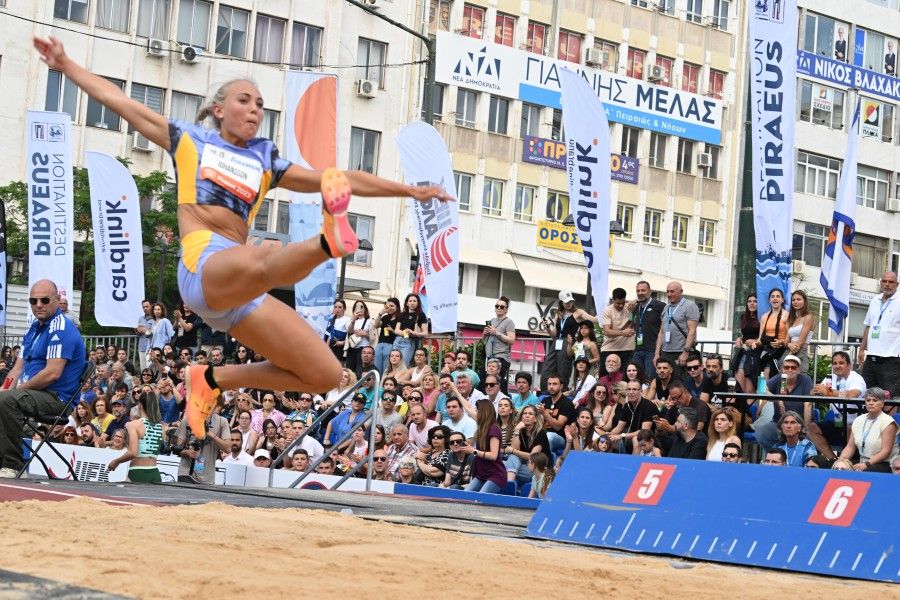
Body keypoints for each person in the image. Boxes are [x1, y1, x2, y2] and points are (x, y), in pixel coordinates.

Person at [32, 36, 451, 441]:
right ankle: (329, 242)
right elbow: (121, 103)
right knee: (264, 256)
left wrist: (409, 191)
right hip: (204, 262)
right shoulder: (189, 141)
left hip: (240, 293)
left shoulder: (265, 159)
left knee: (324, 374)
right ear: (218, 109)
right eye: (244, 101)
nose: (254, 110)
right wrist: (67, 65)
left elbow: (338, 178)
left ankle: (213, 378)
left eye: (260, 106)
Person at [0, 280, 86, 478]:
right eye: (33, 300)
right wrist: (5, 388)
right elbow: (17, 369)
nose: (38, 304)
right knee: (3, 397)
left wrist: (13, 392)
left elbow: (52, 374)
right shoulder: (33, 328)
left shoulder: (61, 328)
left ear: (57, 300)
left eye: (44, 300)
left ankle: (12, 464)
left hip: (58, 398)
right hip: (33, 393)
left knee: (7, 400)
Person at [756, 354, 834, 459]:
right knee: (762, 432)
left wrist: (805, 428)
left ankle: (804, 463)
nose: (789, 370)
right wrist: (777, 399)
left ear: (798, 370)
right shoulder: (779, 378)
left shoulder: (805, 379)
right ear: (782, 369)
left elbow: (808, 404)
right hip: (779, 423)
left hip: (800, 424)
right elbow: (762, 390)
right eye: (786, 367)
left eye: (793, 367)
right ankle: (778, 458)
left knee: (811, 437)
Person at [540, 290, 597, 391]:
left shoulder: (578, 312)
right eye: (567, 302)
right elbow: (554, 335)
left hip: (568, 342)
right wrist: (547, 328)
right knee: (547, 369)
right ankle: (545, 392)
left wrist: (603, 313)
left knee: (563, 370)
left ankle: (562, 393)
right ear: (561, 302)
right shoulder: (558, 314)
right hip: (556, 342)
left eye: (571, 301)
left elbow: (594, 320)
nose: (569, 304)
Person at [108, 390, 166, 483]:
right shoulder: (161, 427)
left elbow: (132, 452)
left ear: (140, 405)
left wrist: (117, 461)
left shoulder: (133, 425)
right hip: (155, 472)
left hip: (138, 472)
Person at [858, 272, 900, 398]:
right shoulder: (875, 300)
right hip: (871, 358)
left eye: (891, 282)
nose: (887, 284)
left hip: (891, 358)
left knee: (889, 398)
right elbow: (869, 326)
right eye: (884, 281)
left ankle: (889, 419)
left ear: (897, 284)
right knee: (867, 394)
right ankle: (869, 418)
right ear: (881, 283)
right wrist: (861, 349)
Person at [837, 387, 899, 473]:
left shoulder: (888, 422)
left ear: (882, 403)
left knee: (863, 472)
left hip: (885, 463)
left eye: (875, 400)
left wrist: (866, 464)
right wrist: (840, 461)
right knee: (840, 468)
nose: (871, 403)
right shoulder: (858, 420)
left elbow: (885, 452)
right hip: (863, 462)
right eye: (868, 400)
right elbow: (850, 447)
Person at [174, 397, 231, 484]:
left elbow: (228, 448)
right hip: (186, 471)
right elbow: (177, 447)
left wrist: (209, 433)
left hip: (207, 476)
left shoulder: (222, 422)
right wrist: (185, 452)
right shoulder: (188, 419)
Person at [653, 281, 699, 378]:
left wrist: (685, 352)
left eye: (672, 291)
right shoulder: (666, 307)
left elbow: (692, 330)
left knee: (680, 382)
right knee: (665, 380)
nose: (669, 294)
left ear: (681, 291)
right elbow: (661, 332)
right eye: (668, 291)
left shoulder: (690, 305)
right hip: (665, 352)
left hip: (680, 352)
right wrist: (657, 354)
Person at [464, 401, 506, 493]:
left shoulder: (494, 429)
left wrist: (473, 451)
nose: (475, 412)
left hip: (495, 474)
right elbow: (467, 408)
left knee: (481, 497)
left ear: (483, 412)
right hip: (481, 474)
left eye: (477, 410)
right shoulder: (482, 425)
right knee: (466, 494)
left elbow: (493, 455)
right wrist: (454, 389)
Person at [749, 288, 790, 378]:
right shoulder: (764, 316)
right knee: (762, 374)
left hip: (782, 351)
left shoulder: (787, 315)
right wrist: (755, 343)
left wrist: (780, 342)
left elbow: (789, 338)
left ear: (782, 300)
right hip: (767, 351)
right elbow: (760, 339)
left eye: (778, 296)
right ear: (769, 300)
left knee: (778, 376)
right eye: (772, 296)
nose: (775, 298)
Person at [607, 380, 657, 454]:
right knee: (608, 440)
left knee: (636, 440)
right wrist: (608, 436)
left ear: (641, 391)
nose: (631, 392)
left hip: (650, 438)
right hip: (630, 435)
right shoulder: (627, 406)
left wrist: (622, 435)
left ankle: (633, 464)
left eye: (634, 389)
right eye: (629, 389)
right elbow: (619, 427)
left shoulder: (648, 405)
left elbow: (644, 430)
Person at [505, 404, 550, 485]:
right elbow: (514, 450)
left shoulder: (540, 433)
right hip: (523, 466)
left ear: (535, 419)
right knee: (512, 458)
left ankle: (509, 480)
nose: (527, 416)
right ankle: (509, 484)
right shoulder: (520, 431)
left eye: (530, 414)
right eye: (525, 413)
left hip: (539, 470)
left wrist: (512, 450)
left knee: (503, 466)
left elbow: (532, 457)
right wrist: (517, 430)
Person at [630, 281, 666, 380]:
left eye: (643, 290)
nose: (640, 292)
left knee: (649, 379)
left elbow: (664, 327)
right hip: (638, 349)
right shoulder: (637, 306)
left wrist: (657, 353)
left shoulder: (660, 305)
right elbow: (632, 322)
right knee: (635, 378)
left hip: (652, 350)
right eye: (638, 290)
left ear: (650, 292)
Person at [483, 296, 516, 391]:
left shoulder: (509, 322)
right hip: (489, 357)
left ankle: (504, 403)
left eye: (502, 307)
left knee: (498, 383)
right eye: (497, 306)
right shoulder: (492, 320)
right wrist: (484, 334)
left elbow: (512, 340)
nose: (499, 308)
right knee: (486, 382)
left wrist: (496, 332)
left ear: (506, 309)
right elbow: (484, 340)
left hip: (501, 357)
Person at [537, 375, 576, 455]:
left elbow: (558, 426)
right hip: (545, 434)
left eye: (554, 384)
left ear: (561, 386)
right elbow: (540, 421)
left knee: (549, 436)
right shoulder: (545, 400)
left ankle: (545, 463)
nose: (551, 386)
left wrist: (544, 412)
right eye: (549, 384)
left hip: (561, 438)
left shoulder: (567, 403)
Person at [600, 288, 635, 371]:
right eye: (618, 303)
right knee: (605, 377)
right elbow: (606, 331)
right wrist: (623, 333)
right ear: (613, 300)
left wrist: (632, 311)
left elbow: (633, 323)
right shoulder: (607, 311)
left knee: (625, 377)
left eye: (623, 302)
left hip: (628, 348)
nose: (621, 305)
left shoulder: (630, 308)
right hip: (609, 348)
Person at [732, 294, 761, 393]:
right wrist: (739, 338)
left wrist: (756, 340)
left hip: (755, 353)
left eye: (755, 301)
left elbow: (764, 335)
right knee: (739, 387)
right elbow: (745, 334)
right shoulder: (743, 316)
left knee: (749, 390)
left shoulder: (762, 317)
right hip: (743, 352)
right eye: (750, 301)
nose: (752, 303)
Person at [393, 293, 428, 366]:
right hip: (397, 341)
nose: (412, 303)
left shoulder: (421, 315)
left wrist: (414, 333)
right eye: (410, 301)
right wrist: (406, 333)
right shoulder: (402, 314)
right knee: (393, 365)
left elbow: (425, 333)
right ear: (407, 303)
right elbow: (396, 330)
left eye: (415, 301)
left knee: (403, 365)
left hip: (409, 342)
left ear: (418, 303)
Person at [786, 291, 814, 374]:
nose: (795, 302)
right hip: (789, 350)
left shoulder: (808, 317)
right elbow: (786, 339)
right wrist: (789, 345)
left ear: (804, 301)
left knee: (799, 381)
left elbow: (801, 341)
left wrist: (789, 356)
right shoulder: (792, 319)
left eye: (798, 299)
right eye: (793, 300)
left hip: (800, 352)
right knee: (784, 382)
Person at [344, 300, 373, 375]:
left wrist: (365, 334)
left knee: (359, 371)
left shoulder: (369, 321)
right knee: (349, 370)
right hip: (352, 348)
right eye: (356, 307)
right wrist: (353, 320)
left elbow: (373, 338)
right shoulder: (351, 320)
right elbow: (349, 332)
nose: (359, 309)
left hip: (363, 348)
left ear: (365, 309)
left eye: (361, 307)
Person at [135, 300, 154, 370]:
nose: (145, 308)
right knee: (143, 369)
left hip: (151, 348)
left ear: (151, 306)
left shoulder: (155, 318)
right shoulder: (141, 318)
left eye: (147, 306)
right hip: (142, 347)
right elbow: (137, 332)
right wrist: (137, 330)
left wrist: (146, 330)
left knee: (150, 369)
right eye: (143, 307)